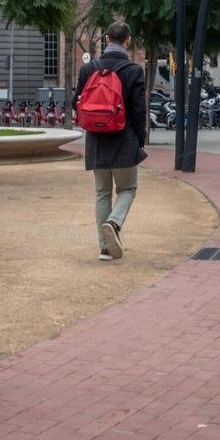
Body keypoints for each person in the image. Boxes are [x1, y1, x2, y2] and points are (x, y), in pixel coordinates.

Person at [74, 21, 147, 262]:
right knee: (128, 189)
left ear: (106, 40)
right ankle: (114, 223)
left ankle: (105, 248)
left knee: (102, 193)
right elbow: (138, 111)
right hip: (124, 139)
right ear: (128, 41)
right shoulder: (134, 71)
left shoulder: (88, 69)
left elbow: (77, 103)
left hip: (96, 140)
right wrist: (140, 139)